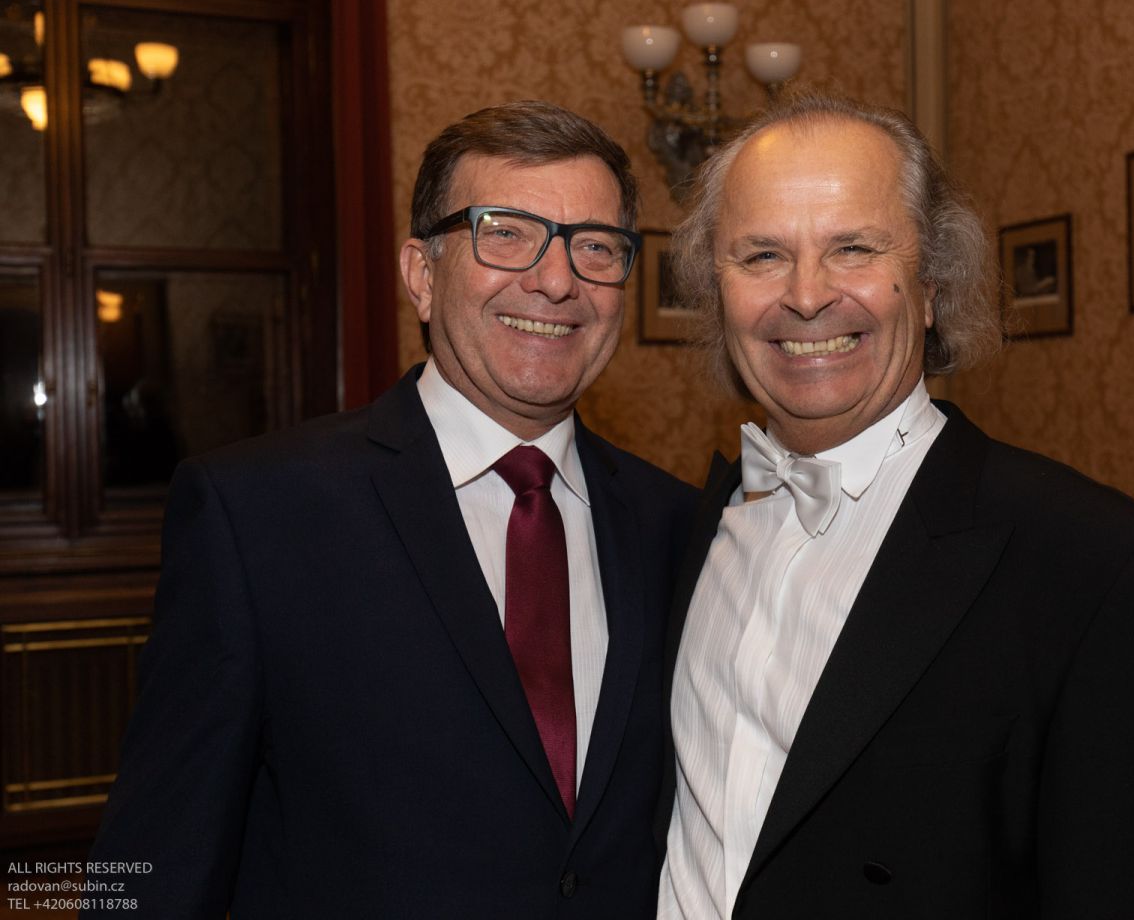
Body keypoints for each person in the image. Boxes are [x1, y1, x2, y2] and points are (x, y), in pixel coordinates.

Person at [86, 102, 695, 919]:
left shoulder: (675, 525)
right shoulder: (259, 514)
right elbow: (155, 861)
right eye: (505, 233)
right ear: (422, 274)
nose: (556, 280)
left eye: (595, 246)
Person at [656, 93, 1134, 919]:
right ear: (717, 291)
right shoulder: (687, 526)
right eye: (762, 255)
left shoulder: (1099, 570)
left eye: (854, 248)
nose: (807, 295)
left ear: (930, 287)